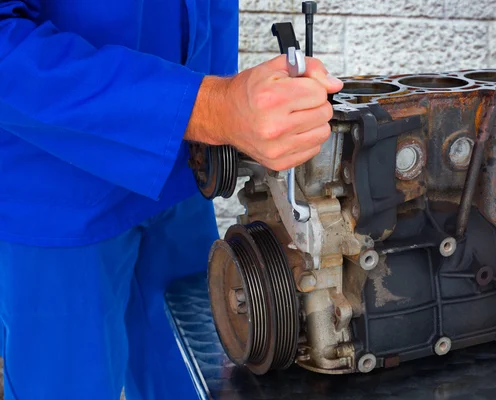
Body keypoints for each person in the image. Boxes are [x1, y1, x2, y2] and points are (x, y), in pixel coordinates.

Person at [0, 0, 343, 399]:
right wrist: (211, 107)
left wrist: (228, 113)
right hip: (55, 192)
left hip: (179, 173)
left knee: (197, 383)